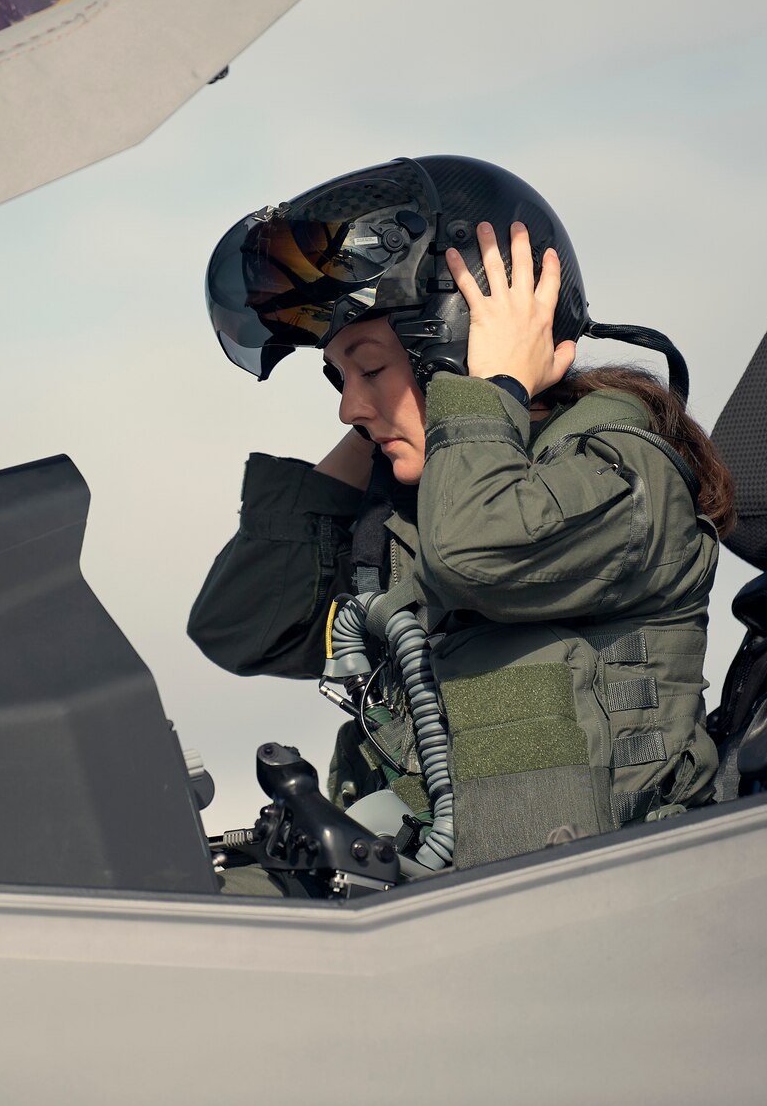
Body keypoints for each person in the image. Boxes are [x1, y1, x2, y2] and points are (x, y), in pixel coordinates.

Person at [191, 156, 734, 883]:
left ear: (457, 341)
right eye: (339, 377)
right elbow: (241, 624)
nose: (348, 407)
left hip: (616, 912)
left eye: (371, 369)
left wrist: (481, 382)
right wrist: (380, 423)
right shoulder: (414, 515)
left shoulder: (621, 475)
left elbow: (477, 553)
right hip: (442, 921)